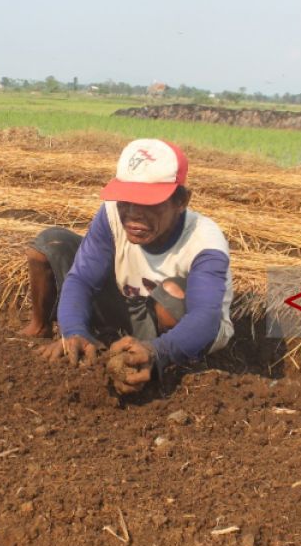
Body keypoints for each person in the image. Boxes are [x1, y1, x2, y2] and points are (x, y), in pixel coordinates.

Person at [22, 138, 233, 392]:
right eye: (126, 200)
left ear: (182, 201)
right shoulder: (111, 213)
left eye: (149, 203)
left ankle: (170, 362)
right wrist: (74, 330)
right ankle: (44, 328)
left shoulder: (205, 240)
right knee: (50, 243)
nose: (133, 213)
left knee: (171, 293)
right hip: (129, 303)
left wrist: (156, 352)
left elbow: (206, 317)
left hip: (179, 328)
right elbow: (82, 279)